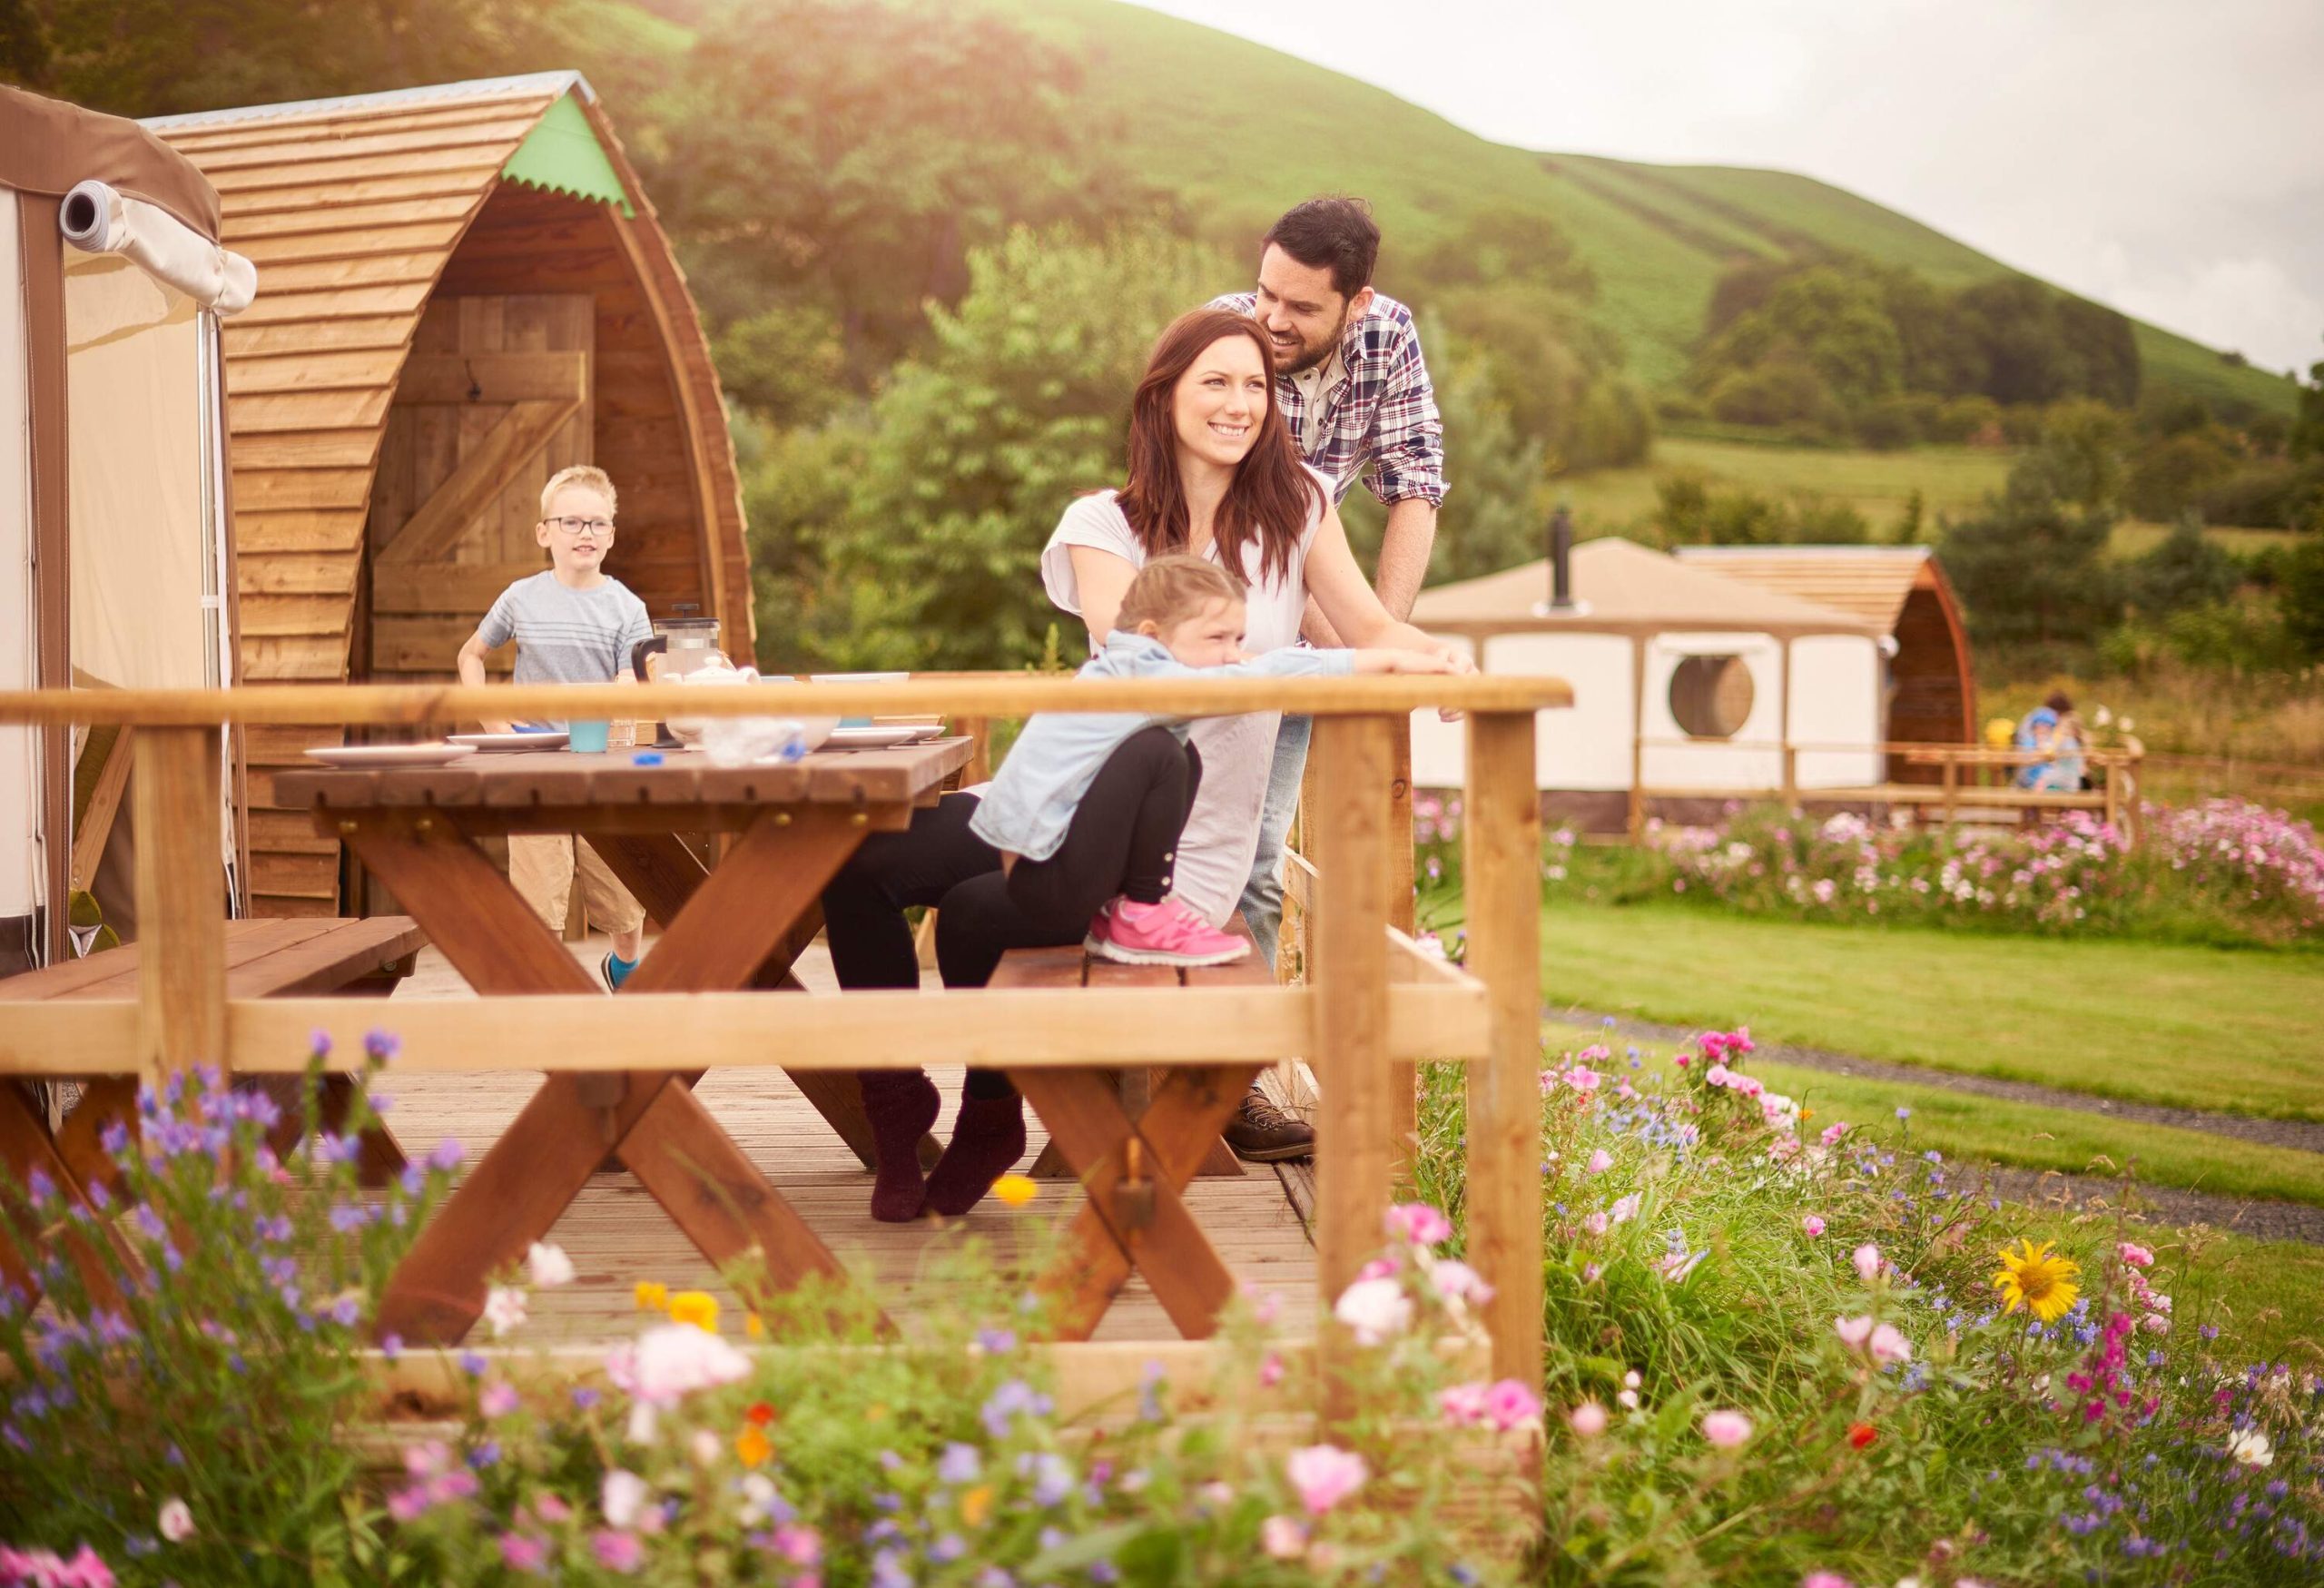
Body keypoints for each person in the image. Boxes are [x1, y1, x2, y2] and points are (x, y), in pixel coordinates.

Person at [822, 305, 1470, 1215]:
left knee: (976, 912)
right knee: (860, 865)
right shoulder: (1101, 522)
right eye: (1216, 381)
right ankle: (894, 1107)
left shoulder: (1299, 512)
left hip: (1160, 847)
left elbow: (1369, 625)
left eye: (1256, 386)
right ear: (1165, 397)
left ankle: (990, 1109)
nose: (1240, 403)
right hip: (1057, 803)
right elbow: (1140, 659)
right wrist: (1306, 661)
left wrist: (1436, 655)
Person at [1208, 195, 1446, 1157]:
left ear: (1356, 302)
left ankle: (1234, 1086)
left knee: (1260, 866)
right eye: (1267, 291)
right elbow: (1265, 534)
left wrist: (1383, 637)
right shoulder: (1225, 347)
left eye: (1300, 307)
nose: (1272, 319)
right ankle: (1210, 1080)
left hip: (1315, 604)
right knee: (1220, 856)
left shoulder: (1388, 340)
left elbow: (1414, 488)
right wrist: (1349, 650)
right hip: (1217, 623)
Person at [457, 465, 653, 992]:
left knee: (622, 894)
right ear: (545, 533)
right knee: (538, 893)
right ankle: (547, 992)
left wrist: (620, 692)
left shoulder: (627, 608)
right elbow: (471, 655)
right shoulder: (521, 598)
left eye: (597, 524)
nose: (585, 533)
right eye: (571, 522)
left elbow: (632, 681)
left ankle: (625, 967)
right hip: (535, 763)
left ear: (611, 535)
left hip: (602, 764)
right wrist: (493, 722)